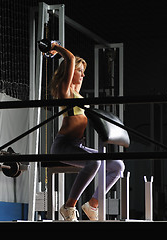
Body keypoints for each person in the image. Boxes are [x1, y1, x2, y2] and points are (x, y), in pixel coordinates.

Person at [49, 42, 125, 221]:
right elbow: (70, 58)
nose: (83, 75)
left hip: (78, 145)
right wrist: (55, 47)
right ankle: (69, 206)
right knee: (94, 162)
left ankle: (92, 205)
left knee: (117, 166)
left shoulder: (78, 95)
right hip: (64, 146)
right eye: (79, 70)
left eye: (83, 71)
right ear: (69, 71)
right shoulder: (65, 91)